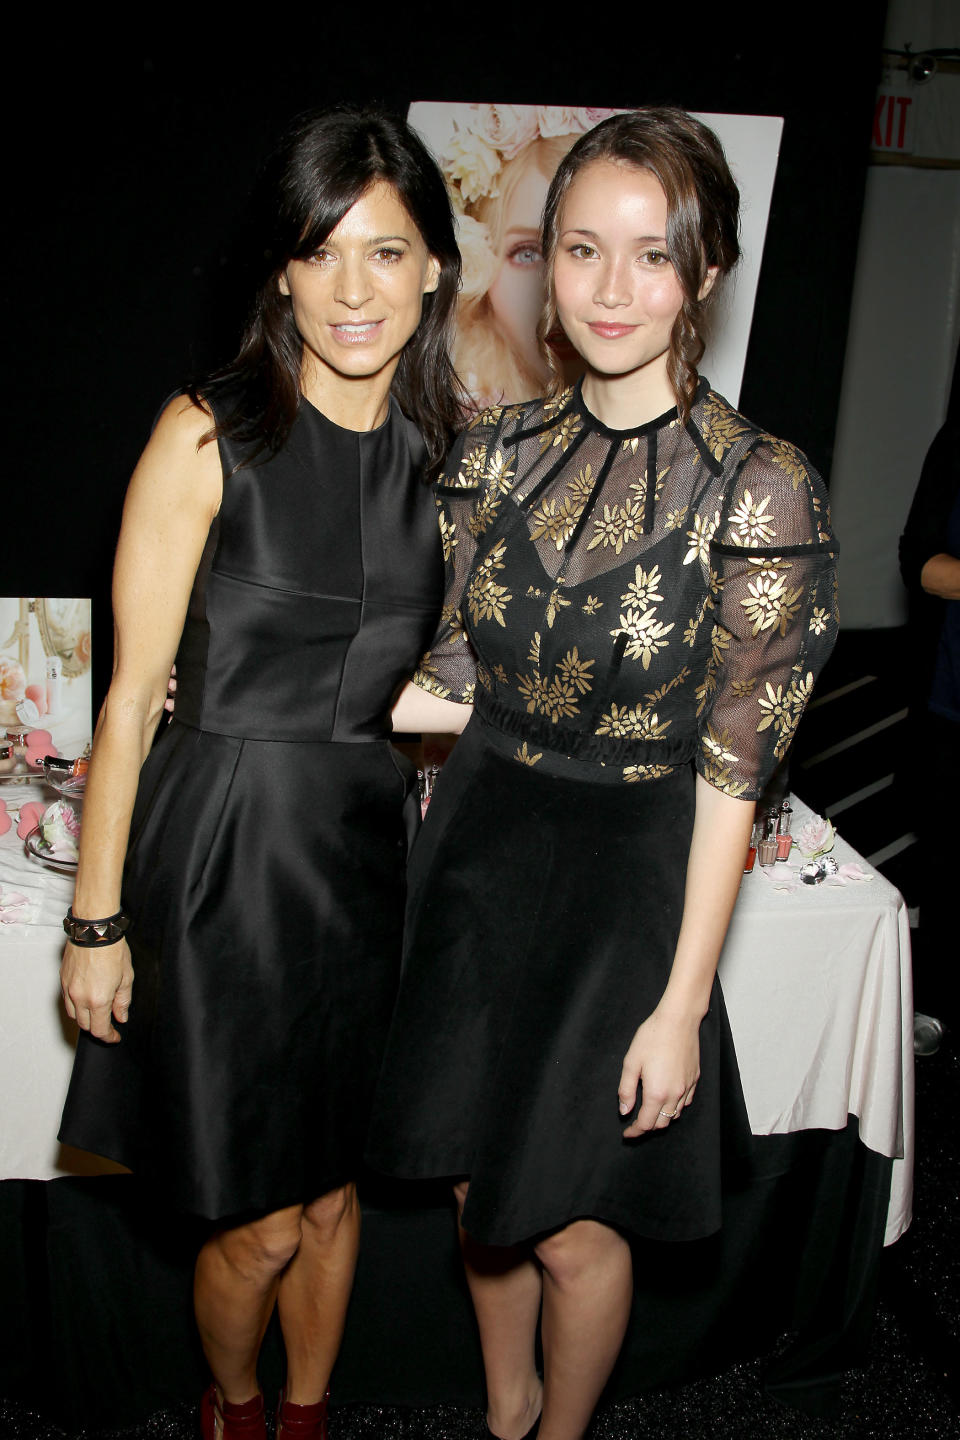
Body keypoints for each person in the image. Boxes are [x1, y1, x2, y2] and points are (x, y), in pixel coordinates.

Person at [367, 108, 839, 1440]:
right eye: (583, 250)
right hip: (478, 855)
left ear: (703, 274)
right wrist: (250, 693)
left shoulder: (763, 489)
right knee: (478, 1198)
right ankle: (506, 1407)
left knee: (572, 1228)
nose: (612, 288)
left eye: (650, 255)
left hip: (630, 882)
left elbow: (736, 770)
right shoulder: (494, 455)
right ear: (545, 270)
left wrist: (685, 1003)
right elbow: (446, 679)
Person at [57, 107, 462, 1440]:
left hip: (360, 859)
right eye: (323, 253)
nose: (355, 290)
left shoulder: (449, 462)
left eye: (387, 255)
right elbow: (126, 701)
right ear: (281, 272)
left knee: (337, 1196)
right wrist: (97, 922)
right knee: (265, 1222)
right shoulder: (203, 435)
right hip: (223, 856)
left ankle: (306, 1416)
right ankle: (230, 1410)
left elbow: (457, 674)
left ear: (434, 274)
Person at [899, 410, 960, 1051]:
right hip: (953, 701)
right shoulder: (958, 439)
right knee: (946, 862)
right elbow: (917, 563)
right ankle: (936, 1003)